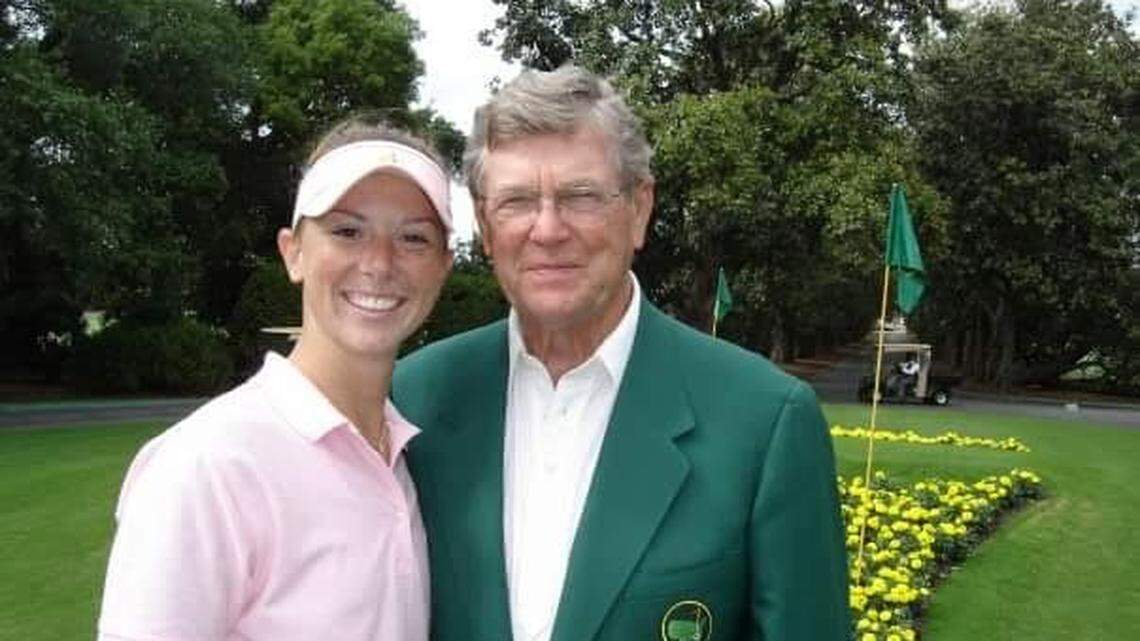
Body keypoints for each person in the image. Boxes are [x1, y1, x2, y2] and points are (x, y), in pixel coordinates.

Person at [392, 66, 849, 641]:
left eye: (581, 196)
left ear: (639, 209)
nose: (548, 229)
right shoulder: (412, 402)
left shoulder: (764, 422)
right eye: (517, 201)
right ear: (485, 227)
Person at [97, 119, 453, 641]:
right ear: (294, 253)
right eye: (347, 230)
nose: (379, 263)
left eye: (413, 238)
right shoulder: (209, 465)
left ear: (443, 268)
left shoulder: (404, 459)